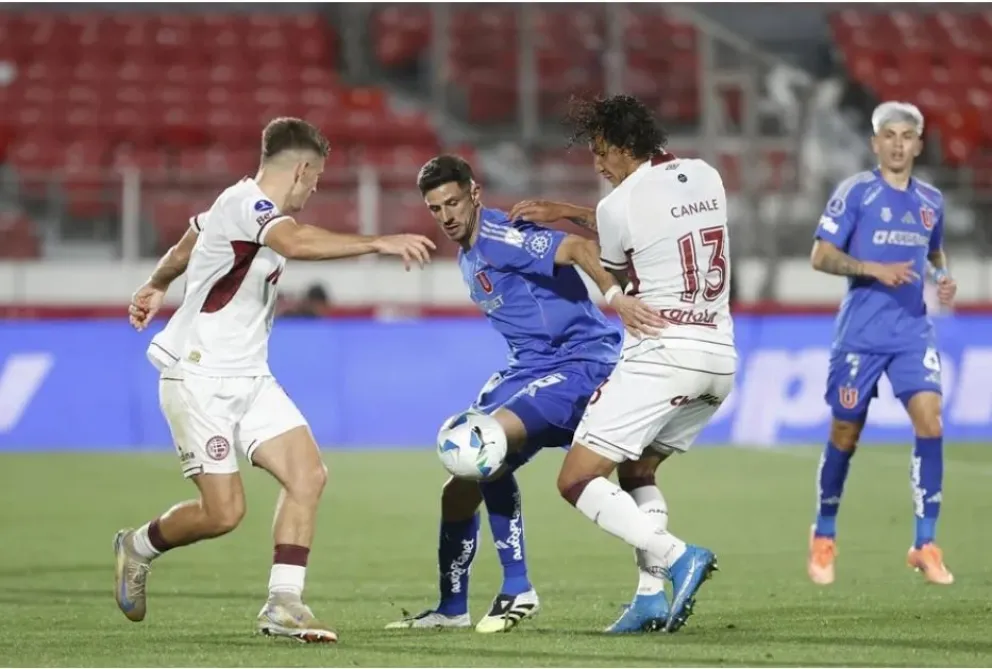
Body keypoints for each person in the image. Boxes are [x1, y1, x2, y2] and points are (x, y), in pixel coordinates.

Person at [115, 117, 436, 643]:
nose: (315, 189)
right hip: (199, 379)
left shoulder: (233, 205)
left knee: (308, 475)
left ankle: (283, 604)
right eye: (316, 179)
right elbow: (296, 242)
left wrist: (155, 283)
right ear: (303, 169)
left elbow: (188, 243)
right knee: (224, 514)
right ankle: (137, 546)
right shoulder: (252, 208)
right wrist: (379, 241)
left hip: (251, 378)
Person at [385, 154, 664, 634]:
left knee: (487, 442)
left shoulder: (497, 236)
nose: (447, 216)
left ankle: (520, 588)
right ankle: (452, 608)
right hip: (531, 368)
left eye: (453, 202)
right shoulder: (469, 254)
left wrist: (616, 300)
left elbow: (577, 249)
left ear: (474, 194)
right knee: (459, 486)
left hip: (580, 362)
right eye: (435, 209)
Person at [539, 94, 735, 634]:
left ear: (626, 147)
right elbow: (658, 220)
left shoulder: (613, 207)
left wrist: (569, 217)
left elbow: (616, 253)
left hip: (662, 352)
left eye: (602, 152)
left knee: (577, 479)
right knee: (638, 469)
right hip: (719, 358)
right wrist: (568, 209)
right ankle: (650, 597)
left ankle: (675, 556)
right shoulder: (706, 175)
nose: (597, 165)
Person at [806, 101, 957, 586]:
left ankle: (925, 543)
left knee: (930, 422)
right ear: (875, 143)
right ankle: (824, 533)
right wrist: (873, 269)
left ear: (917, 142)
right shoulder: (856, 194)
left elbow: (933, 248)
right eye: (887, 135)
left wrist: (943, 275)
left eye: (905, 136)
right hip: (861, 337)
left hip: (913, 331)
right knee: (845, 434)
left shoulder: (931, 200)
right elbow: (820, 256)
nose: (897, 144)